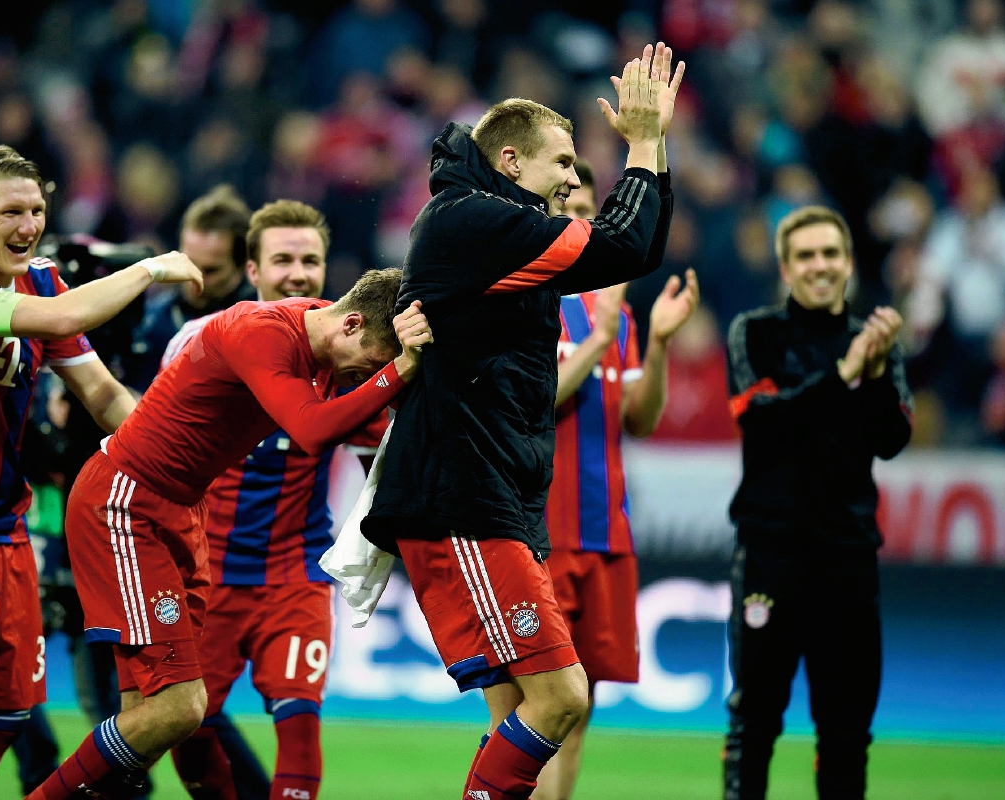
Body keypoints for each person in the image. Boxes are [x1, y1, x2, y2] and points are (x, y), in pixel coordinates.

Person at [358, 43, 683, 799]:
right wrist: (638, 143)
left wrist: (655, 142)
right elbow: (624, 242)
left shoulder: (493, 224)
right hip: (464, 499)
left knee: (538, 704)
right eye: (564, 165)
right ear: (509, 160)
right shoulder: (475, 220)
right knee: (561, 698)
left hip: (495, 497)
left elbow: (637, 248)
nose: (574, 180)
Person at [26, 268, 431, 799]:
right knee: (182, 707)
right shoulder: (262, 332)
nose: (368, 374)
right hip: (126, 503)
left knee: (154, 716)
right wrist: (400, 369)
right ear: (352, 324)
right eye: (373, 360)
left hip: (180, 513)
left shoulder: (323, 330)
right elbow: (310, 430)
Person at [0, 144, 203, 799]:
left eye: (37, 210)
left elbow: (105, 397)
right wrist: (148, 266)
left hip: (7, 529)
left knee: (11, 713)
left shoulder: (41, 280)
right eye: (11, 212)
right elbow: (61, 318)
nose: (29, 225)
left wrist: (186, 462)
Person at [164, 200, 373, 800]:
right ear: (251, 269)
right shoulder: (198, 343)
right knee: (187, 727)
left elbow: (379, 454)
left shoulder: (345, 356)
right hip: (207, 579)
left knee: (300, 725)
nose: (298, 273)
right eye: (282, 260)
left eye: (310, 260)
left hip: (295, 574)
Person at [722, 205, 913, 800]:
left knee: (846, 734)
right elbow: (762, 419)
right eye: (806, 255)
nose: (820, 266)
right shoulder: (754, 332)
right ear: (785, 267)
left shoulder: (872, 342)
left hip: (848, 563)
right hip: (770, 560)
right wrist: (846, 375)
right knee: (752, 727)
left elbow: (893, 440)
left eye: (831, 253)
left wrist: (874, 374)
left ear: (849, 264)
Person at [532, 159, 699, 800]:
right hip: (538, 535)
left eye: (585, 215)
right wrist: (600, 340)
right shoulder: (528, 304)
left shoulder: (617, 316)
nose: (576, 225)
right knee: (533, 704)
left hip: (606, 536)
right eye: (563, 212)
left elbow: (642, 420)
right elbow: (535, 404)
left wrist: (653, 346)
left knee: (579, 707)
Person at [129, 184, 256, 391]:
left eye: (211, 270)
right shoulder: (151, 320)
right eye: (188, 263)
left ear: (241, 266)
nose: (194, 278)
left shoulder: (257, 328)